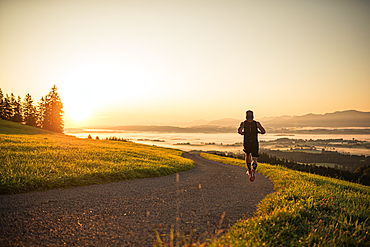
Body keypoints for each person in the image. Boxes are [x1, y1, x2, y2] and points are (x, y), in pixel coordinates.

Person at [238, 110, 266, 182]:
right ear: (253, 116)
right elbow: (263, 131)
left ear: (246, 116)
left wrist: (243, 133)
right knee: (254, 158)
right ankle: (254, 168)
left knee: (247, 155)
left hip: (247, 142)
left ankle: (249, 170)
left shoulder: (243, 123)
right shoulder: (256, 123)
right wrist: (258, 132)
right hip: (254, 142)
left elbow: (240, 131)